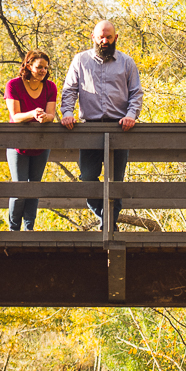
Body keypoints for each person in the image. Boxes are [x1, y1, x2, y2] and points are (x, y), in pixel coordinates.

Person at [61, 19, 143, 228]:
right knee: (87, 178)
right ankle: (106, 219)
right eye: (101, 37)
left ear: (116, 38)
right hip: (89, 128)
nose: (104, 41)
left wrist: (131, 115)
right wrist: (67, 112)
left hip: (120, 128)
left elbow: (136, 93)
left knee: (116, 181)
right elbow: (69, 90)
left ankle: (108, 225)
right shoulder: (80, 60)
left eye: (108, 37)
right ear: (93, 37)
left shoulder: (127, 62)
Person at [4, 50, 58, 230]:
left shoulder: (50, 87)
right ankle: (13, 229)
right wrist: (33, 113)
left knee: (34, 188)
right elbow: (16, 116)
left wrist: (45, 117)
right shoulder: (13, 85)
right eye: (39, 67)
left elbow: (52, 115)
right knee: (19, 188)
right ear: (28, 66)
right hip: (17, 144)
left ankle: (29, 229)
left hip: (41, 144)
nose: (43, 71)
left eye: (45, 68)